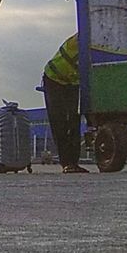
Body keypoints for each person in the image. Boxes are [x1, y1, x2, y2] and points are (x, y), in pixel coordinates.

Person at [42, 34, 87, 173]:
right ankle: (67, 163)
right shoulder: (82, 39)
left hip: (71, 82)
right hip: (54, 79)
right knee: (59, 121)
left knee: (74, 120)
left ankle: (73, 162)